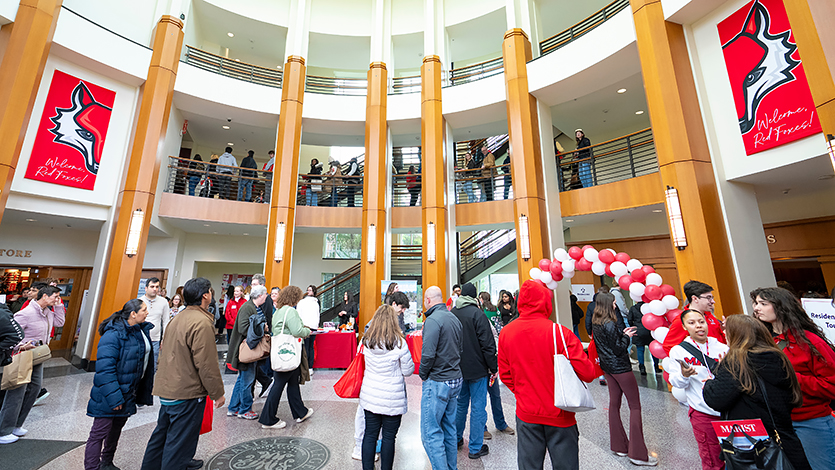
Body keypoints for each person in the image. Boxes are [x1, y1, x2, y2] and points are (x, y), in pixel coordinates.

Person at [498, 279, 597, 470]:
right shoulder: (560, 333)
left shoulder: (506, 333)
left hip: (526, 413)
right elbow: (587, 373)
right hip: (560, 413)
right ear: (546, 302)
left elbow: (506, 374)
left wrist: (523, 393)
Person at [703, 314, 811, 470]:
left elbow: (716, 399)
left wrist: (709, 383)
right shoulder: (778, 356)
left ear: (737, 335)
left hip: (751, 446)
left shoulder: (736, 361)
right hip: (783, 437)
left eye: (726, 330)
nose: (724, 334)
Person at [140, 277, 225, 470]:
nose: (212, 294)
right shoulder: (201, 323)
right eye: (210, 291)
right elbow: (206, 364)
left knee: (162, 435)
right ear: (205, 295)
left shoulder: (178, 317)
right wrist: (217, 393)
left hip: (169, 387)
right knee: (178, 442)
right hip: (186, 391)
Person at [751, 286, 835, 470]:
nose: (756, 308)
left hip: (811, 422)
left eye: (763, 303)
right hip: (777, 424)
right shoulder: (765, 342)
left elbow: (832, 385)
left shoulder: (810, 342)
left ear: (781, 307)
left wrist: (791, 377)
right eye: (756, 303)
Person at [84, 299, 154, 470]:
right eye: (144, 310)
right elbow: (105, 370)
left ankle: (107, 463)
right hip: (109, 395)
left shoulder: (139, 331)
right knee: (99, 433)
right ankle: (92, 467)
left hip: (127, 392)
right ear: (133, 314)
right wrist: (115, 398)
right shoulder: (113, 334)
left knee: (115, 431)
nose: (147, 313)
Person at [591, 292, 656, 466]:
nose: (615, 305)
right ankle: (638, 454)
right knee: (635, 406)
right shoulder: (610, 323)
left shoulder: (596, 323)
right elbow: (619, 348)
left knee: (614, 404)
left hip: (607, 368)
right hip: (620, 367)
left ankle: (619, 445)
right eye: (613, 302)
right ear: (607, 304)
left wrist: (622, 333)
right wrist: (626, 337)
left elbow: (607, 344)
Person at [667, 309, 729, 470]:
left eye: (701, 322)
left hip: (728, 411)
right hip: (703, 413)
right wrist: (684, 375)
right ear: (684, 327)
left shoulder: (723, 348)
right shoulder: (678, 351)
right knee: (711, 459)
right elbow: (677, 383)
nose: (698, 326)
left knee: (737, 456)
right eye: (692, 323)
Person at [0, 285, 62, 444]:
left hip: (37, 355)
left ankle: (16, 425)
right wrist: (21, 346)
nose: (57, 300)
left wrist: (59, 305)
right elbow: (10, 334)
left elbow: (60, 322)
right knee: (16, 392)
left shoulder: (48, 313)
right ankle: (3, 430)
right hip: (22, 355)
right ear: (45, 296)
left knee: (34, 389)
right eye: (55, 296)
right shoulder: (26, 313)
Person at [359, 305, 414, 470]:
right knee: (389, 438)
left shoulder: (366, 341)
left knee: (369, 435)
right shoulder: (400, 343)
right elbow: (408, 370)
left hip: (371, 395)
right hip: (393, 397)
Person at [450, 282, 496, 460]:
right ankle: (475, 447)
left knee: (460, 405)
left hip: (458, 369)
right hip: (478, 369)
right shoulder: (478, 314)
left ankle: (456, 439)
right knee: (478, 407)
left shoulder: (452, 313)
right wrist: (493, 366)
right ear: (474, 296)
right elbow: (488, 343)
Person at [419, 285, 463, 470]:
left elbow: (428, 354)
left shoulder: (432, 320)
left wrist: (422, 373)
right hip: (455, 379)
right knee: (449, 430)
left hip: (438, 381)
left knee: (430, 433)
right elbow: (460, 349)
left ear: (428, 300)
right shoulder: (454, 318)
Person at [259, 286, 314, 429]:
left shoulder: (278, 311)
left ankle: (300, 412)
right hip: (289, 353)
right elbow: (297, 330)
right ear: (294, 298)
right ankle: (268, 419)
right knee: (278, 385)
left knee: (293, 383)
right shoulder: (291, 311)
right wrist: (307, 330)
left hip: (280, 352)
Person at [225, 285, 269, 420]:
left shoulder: (253, 307)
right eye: (265, 294)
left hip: (248, 349)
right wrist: (262, 328)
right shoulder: (248, 308)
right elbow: (244, 328)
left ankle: (233, 408)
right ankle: (245, 409)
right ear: (260, 296)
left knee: (242, 380)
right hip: (246, 350)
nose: (266, 297)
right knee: (247, 380)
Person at [478, 291, 514, 441]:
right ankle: (483, 427)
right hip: (479, 364)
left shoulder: (491, 312)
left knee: (495, 395)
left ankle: (501, 423)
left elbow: (497, 334)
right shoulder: (481, 316)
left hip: (492, 362)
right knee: (481, 398)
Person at [663, 281, 726, 354]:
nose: (713, 301)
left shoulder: (709, 316)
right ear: (695, 299)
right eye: (708, 298)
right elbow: (668, 346)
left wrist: (724, 330)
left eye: (712, 298)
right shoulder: (682, 320)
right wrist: (689, 361)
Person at [139, 277, 170, 371]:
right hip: (141, 337)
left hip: (155, 339)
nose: (155, 289)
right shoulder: (140, 301)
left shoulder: (163, 302)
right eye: (152, 286)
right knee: (139, 364)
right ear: (146, 288)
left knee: (152, 367)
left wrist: (164, 339)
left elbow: (166, 321)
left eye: (157, 287)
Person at [627, 302, 660, 375]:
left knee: (640, 350)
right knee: (653, 349)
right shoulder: (649, 307)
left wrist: (635, 327)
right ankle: (656, 367)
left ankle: (642, 368)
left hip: (639, 331)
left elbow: (629, 320)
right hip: (649, 331)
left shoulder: (633, 308)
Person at [297, 285, 320, 374]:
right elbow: (317, 315)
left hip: (304, 326)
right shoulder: (316, 303)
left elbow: (299, 314)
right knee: (311, 347)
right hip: (313, 326)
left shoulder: (302, 302)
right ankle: (310, 367)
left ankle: (304, 367)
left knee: (305, 347)